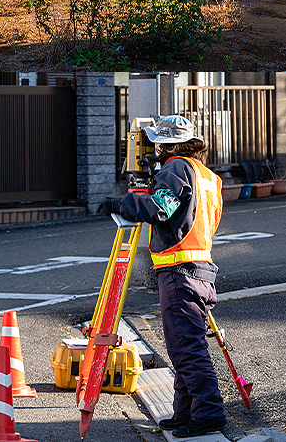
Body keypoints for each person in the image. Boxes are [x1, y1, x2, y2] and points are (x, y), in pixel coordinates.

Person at [99, 114, 227, 438]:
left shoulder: (177, 168)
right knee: (184, 346)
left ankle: (208, 414)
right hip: (200, 270)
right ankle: (185, 413)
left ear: (167, 144)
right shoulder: (207, 176)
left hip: (179, 273)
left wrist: (121, 203)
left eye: (157, 141)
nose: (153, 146)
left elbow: (161, 208)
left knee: (187, 348)